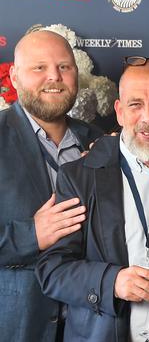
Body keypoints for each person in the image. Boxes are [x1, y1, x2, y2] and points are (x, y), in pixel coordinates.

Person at [35, 56, 149, 341]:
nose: (147, 117)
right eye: (135, 105)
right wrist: (112, 282)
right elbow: (53, 270)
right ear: (120, 112)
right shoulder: (79, 177)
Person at [0, 30, 102, 342]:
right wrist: (34, 235)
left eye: (64, 67)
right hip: (17, 327)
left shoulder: (99, 142)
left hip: (88, 327)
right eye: (39, 68)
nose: (54, 77)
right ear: (15, 77)